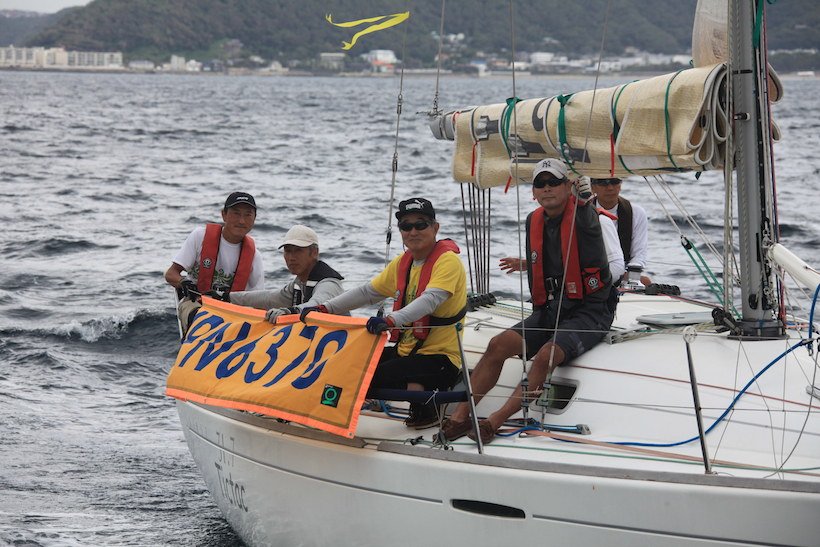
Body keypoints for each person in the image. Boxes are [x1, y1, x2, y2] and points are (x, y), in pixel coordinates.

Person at [441, 159, 616, 444]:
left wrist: (585, 200)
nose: (547, 188)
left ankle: (495, 420)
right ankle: (460, 417)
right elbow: (549, 258)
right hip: (550, 309)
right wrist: (525, 264)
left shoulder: (585, 216)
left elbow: (588, 224)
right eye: (540, 183)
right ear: (533, 192)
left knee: (546, 356)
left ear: (568, 187)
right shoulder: (533, 220)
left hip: (590, 312)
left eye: (554, 182)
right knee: (497, 345)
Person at [301, 197, 467, 429]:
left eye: (420, 224)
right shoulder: (403, 263)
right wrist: (325, 308)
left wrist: (390, 320)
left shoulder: (448, 262)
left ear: (435, 228)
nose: (413, 231)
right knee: (342, 364)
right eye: (406, 226)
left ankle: (428, 402)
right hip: (406, 352)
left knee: (368, 377)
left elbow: (430, 300)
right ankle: (320, 415)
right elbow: (368, 292)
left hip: (440, 359)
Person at [165, 191, 264, 335]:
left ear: (254, 219)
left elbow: (258, 301)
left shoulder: (255, 256)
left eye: (248, 215)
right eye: (236, 213)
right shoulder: (200, 236)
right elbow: (171, 274)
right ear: (224, 215)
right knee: (202, 320)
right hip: (195, 304)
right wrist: (183, 282)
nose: (242, 221)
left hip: (231, 312)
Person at [228, 225, 346, 321]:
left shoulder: (329, 285)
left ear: (314, 253)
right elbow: (268, 298)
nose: (291, 257)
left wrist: (289, 312)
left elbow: (316, 304)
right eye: (288, 251)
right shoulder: (298, 283)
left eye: (298, 250)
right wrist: (227, 296)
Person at [591, 177, 651, 285]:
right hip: (591, 274)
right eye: (603, 183)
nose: (610, 188)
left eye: (615, 182)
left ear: (621, 184)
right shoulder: (582, 213)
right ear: (592, 187)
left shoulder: (637, 213)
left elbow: (638, 255)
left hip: (622, 275)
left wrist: (626, 275)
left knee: (646, 282)